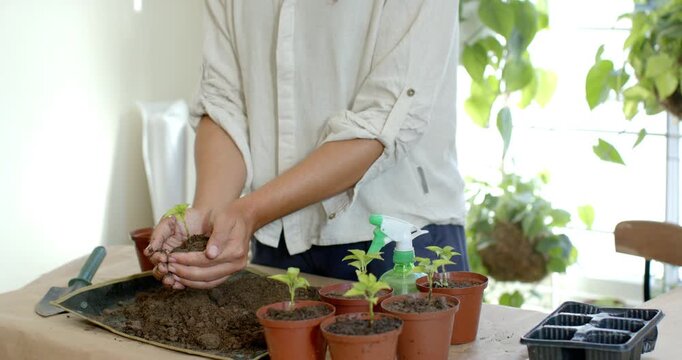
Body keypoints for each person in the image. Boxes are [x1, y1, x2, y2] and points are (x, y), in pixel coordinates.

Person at [145, 0, 468, 290]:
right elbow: (223, 101)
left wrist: (250, 211)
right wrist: (208, 215)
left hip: (396, 239)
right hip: (277, 237)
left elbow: (383, 120)